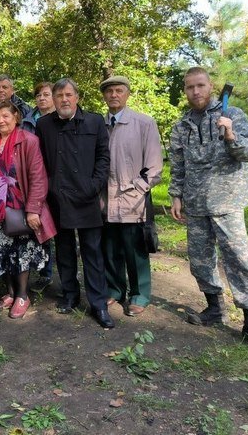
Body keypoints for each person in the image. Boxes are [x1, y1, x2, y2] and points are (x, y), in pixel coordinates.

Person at [169, 67, 248, 350]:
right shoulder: (182, 126)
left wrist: (231, 136)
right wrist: (176, 196)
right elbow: (177, 165)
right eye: (190, 87)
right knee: (200, 260)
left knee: (238, 261)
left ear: (211, 86)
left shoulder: (233, 115)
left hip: (227, 203)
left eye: (200, 85)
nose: (196, 92)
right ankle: (214, 308)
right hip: (195, 204)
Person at [36, 78, 114, 329]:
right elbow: (41, 162)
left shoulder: (94, 121)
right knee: (65, 251)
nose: (64, 99)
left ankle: (98, 304)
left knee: (92, 252)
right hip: (58, 198)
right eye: (59, 96)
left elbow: (103, 156)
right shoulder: (43, 124)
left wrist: (94, 185)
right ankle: (69, 294)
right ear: (54, 99)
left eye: (69, 94)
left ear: (77, 97)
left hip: (88, 196)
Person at [0, 100, 56, 319]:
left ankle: (23, 295)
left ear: (16, 118)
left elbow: (38, 178)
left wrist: (33, 210)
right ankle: (10, 293)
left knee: (21, 253)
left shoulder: (29, 140)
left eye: (6, 116)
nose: (1, 121)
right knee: (3, 251)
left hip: (20, 208)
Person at [100, 76, 163, 317]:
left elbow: (154, 165)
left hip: (133, 199)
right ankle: (115, 290)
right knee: (111, 248)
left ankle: (140, 294)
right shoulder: (99, 124)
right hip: (106, 199)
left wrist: (138, 188)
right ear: (104, 96)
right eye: (109, 92)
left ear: (127, 94)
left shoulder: (144, 123)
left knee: (135, 249)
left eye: (119, 91)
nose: (114, 95)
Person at [22, 81, 57, 293]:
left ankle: (49, 272)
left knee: (52, 228)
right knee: (36, 225)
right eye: (39, 95)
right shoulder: (27, 120)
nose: (42, 98)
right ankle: (42, 271)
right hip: (32, 180)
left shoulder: (59, 119)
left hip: (53, 178)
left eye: (46, 94)